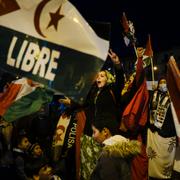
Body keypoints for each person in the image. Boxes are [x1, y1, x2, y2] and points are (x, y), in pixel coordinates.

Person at [58, 49, 125, 179]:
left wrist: (117, 65)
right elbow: (81, 103)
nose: (99, 78)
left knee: (105, 168)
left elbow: (121, 80)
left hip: (106, 135)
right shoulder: (93, 92)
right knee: (89, 168)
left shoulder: (112, 91)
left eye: (102, 75)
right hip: (90, 135)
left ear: (108, 79)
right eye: (98, 76)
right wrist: (70, 102)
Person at [90, 113, 141, 180]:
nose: (92, 136)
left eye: (94, 132)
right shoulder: (121, 148)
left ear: (105, 131)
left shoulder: (108, 154)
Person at [147, 77, 177, 179]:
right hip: (154, 132)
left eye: (165, 82)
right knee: (154, 159)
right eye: (161, 82)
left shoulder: (173, 96)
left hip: (167, 132)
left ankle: (165, 175)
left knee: (165, 160)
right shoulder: (154, 94)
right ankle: (153, 175)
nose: (162, 84)